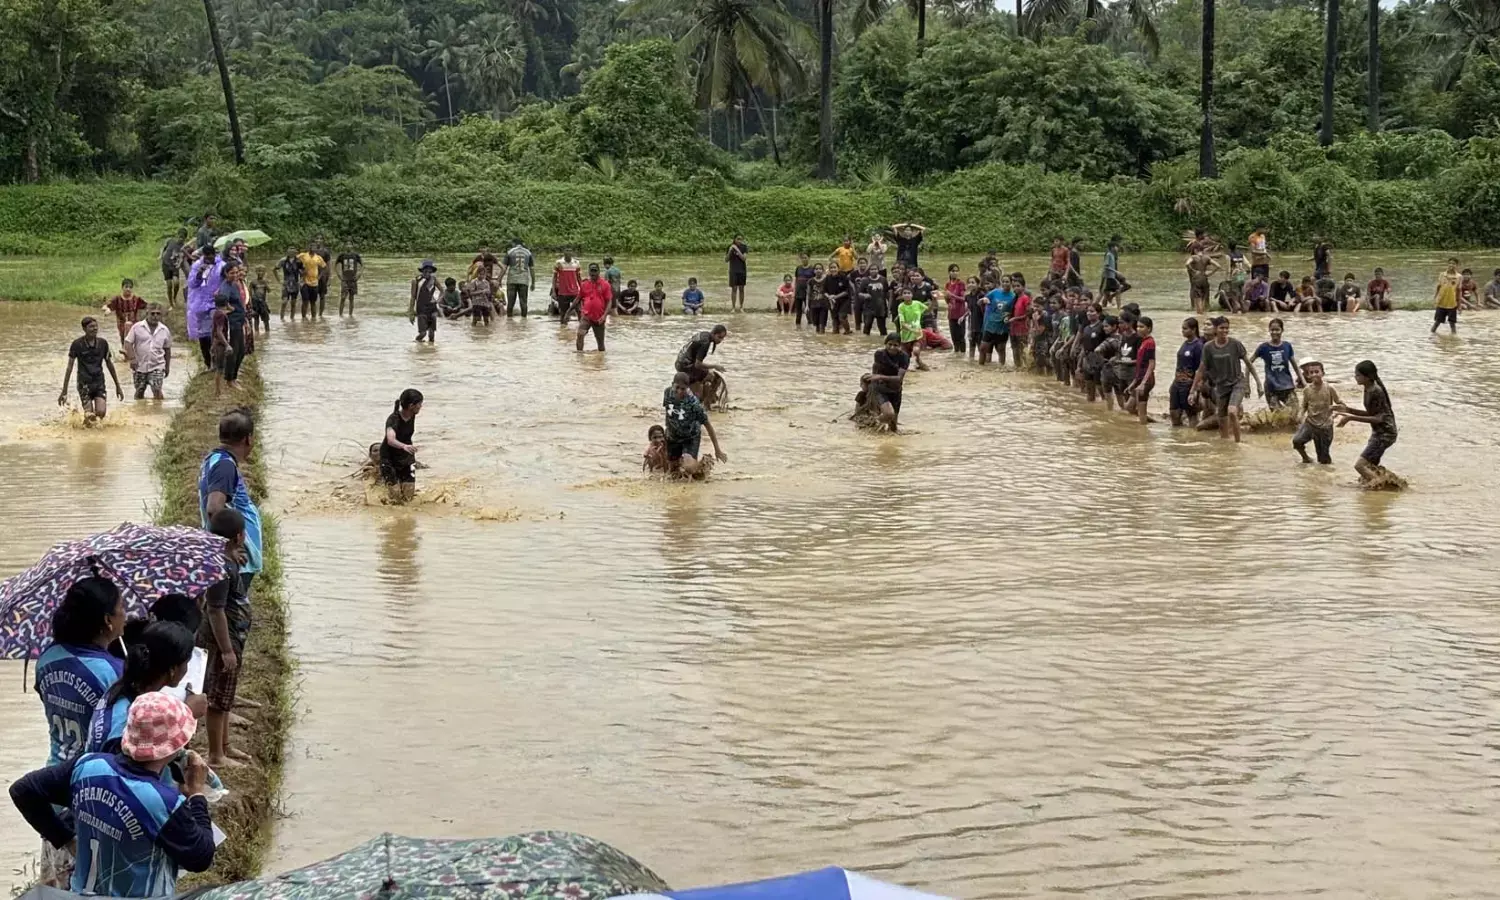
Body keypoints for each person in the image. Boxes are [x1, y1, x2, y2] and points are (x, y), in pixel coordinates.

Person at [13, 689, 217, 897]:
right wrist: (197, 795)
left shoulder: (87, 767)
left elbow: (23, 790)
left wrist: (65, 839)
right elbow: (202, 856)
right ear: (174, 747)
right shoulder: (163, 803)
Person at [36, 578, 128, 767]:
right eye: (122, 606)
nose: (125, 615)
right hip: (93, 777)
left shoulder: (47, 658)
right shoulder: (114, 672)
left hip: (54, 771)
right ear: (107, 620)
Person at [84, 621, 201, 757]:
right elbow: (142, 765)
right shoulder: (128, 718)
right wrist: (186, 713)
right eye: (186, 663)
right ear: (173, 670)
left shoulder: (122, 688)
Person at [199, 508, 250, 768]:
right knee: (218, 699)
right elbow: (215, 610)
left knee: (225, 696)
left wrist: (232, 557)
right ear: (239, 537)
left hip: (232, 637)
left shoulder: (226, 559)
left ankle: (225, 746)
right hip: (223, 641)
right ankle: (216, 755)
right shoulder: (219, 569)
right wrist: (227, 650)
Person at [200, 408, 264, 586]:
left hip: (232, 555)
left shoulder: (214, 459)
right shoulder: (225, 466)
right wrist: (229, 549)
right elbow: (214, 508)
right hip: (238, 559)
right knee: (233, 609)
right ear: (248, 439)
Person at [1191, 316, 1262, 443]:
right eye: (1221, 328)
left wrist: (1257, 383)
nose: (1224, 331)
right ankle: (1226, 446)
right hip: (1221, 387)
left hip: (1237, 383)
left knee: (1232, 411)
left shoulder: (1235, 344)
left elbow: (1248, 364)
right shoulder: (1208, 347)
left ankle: (1238, 443)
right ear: (1215, 330)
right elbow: (1201, 370)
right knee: (1222, 420)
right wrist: (1193, 390)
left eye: (1227, 328)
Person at [1334, 360, 1398, 481]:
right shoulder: (1368, 388)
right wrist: (1348, 410)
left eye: (1358, 375)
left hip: (1385, 433)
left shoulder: (1376, 391)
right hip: (1379, 432)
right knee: (1369, 469)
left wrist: (1351, 417)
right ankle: (1383, 486)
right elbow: (1372, 414)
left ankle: (1382, 489)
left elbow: (1379, 418)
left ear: (1367, 377)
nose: (1355, 377)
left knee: (1360, 466)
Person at [662, 372, 726, 478]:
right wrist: (667, 432)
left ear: (687, 388)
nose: (679, 391)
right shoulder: (667, 393)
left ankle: (705, 463)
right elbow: (668, 413)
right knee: (672, 471)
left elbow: (708, 425)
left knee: (690, 468)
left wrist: (717, 449)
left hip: (690, 437)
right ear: (672, 384)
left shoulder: (693, 404)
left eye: (682, 389)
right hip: (673, 436)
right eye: (677, 387)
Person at [59, 318, 123, 422]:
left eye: (96, 326)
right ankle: (86, 434)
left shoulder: (103, 343)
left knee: (101, 412)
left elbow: (109, 365)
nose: (95, 329)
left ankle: (95, 435)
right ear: (84, 329)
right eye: (91, 327)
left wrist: (118, 386)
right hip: (84, 383)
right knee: (89, 415)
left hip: (99, 383)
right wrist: (64, 390)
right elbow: (69, 367)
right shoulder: (77, 344)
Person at [1293, 361, 1339, 465]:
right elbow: (1304, 406)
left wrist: (1339, 409)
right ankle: (1306, 458)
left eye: (1317, 371)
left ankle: (1327, 474)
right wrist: (1300, 415)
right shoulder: (1307, 390)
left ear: (1323, 373)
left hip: (1325, 426)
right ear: (1308, 375)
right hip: (1310, 423)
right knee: (1297, 441)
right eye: (1311, 372)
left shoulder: (1330, 388)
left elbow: (1339, 402)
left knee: (1323, 459)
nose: (1314, 374)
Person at [381, 389, 423, 503]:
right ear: (411, 406)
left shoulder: (412, 415)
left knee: (408, 494)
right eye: (419, 404)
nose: (421, 406)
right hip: (389, 457)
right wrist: (404, 446)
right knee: (395, 496)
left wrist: (406, 448)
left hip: (406, 456)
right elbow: (390, 440)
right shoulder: (393, 419)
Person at [123, 304, 172, 401]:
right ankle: (139, 411)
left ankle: (158, 411)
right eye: (152, 313)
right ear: (147, 314)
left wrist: (167, 367)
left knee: (157, 390)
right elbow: (128, 343)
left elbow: (167, 349)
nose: (155, 316)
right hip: (139, 365)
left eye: (158, 314)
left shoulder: (164, 330)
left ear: (161, 315)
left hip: (157, 365)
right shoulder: (137, 327)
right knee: (139, 391)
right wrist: (132, 358)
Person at [863, 332, 910, 432]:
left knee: (893, 427)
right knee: (889, 414)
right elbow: (875, 371)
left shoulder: (904, 357)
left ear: (900, 346)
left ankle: (878, 431)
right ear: (885, 344)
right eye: (890, 344)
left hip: (896, 390)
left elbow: (899, 378)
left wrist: (880, 376)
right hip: (881, 389)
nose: (892, 347)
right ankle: (871, 424)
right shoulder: (879, 354)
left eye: (895, 345)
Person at [1251, 318, 1302, 409]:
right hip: (1271, 388)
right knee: (1277, 417)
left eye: (1277, 330)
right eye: (1272, 330)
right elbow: (1249, 363)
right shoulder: (1263, 347)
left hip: (1287, 386)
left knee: (1295, 413)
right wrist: (1255, 384)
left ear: (1282, 330)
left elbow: (1295, 366)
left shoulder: (1287, 346)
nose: (1274, 332)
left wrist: (1304, 383)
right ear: (1269, 331)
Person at [214, 260, 249, 390]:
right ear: (225, 273)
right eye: (231, 273)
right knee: (234, 352)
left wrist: (244, 319)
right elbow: (221, 304)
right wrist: (231, 309)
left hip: (239, 321)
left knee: (241, 352)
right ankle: (230, 380)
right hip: (232, 324)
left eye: (236, 272)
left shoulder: (234, 285)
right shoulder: (225, 288)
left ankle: (233, 377)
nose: (235, 275)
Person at [675, 324, 728, 402]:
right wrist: (715, 366)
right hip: (687, 367)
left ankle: (703, 395)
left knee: (705, 376)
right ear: (713, 334)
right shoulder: (705, 343)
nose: (720, 340)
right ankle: (707, 401)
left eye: (722, 338)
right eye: (719, 337)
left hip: (679, 364)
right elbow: (698, 364)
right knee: (712, 376)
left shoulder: (704, 334)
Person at [577, 263, 614, 353]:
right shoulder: (584, 284)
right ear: (589, 272)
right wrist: (569, 311)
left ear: (598, 272)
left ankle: (601, 362)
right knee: (580, 335)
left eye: (595, 270)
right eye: (591, 270)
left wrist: (604, 316)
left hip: (599, 318)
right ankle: (579, 357)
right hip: (586, 316)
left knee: (600, 344)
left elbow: (609, 301)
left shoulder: (605, 284)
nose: (593, 273)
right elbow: (578, 298)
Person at [978, 276, 1015, 366]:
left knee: (1001, 349)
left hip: (1003, 326)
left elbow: (1014, 311)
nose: (1005, 283)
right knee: (983, 348)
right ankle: (980, 367)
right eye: (1003, 281)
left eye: (1007, 282)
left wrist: (1009, 317)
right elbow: (979, 302)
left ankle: (1001, 368)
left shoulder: (1013, 296)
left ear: (1011, 283)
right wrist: (983, 300)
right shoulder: (995, 292)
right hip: (990, 324)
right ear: (1001, 282)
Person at [1127, 316, 1156, 425]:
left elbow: (1151, 364)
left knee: (1141, 411)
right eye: (1137, 327)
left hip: (1146, 380)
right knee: (1129, 407)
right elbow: (1140, 364)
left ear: (1149, 328)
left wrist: (1143, 383)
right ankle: (1151, 421)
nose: (1138, 329)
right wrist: (1134, 382)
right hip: (1140, 379)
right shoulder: (1143, 342)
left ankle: (1143, 435)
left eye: (1142, 327)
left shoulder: (1150, 343)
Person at [106, 279, 147, 348]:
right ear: (122, 288)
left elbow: (146, 306)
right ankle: (125, 353)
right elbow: (109, 306)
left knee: (135, 339)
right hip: (122, 323)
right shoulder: (117, 298)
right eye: (126, 287)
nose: (128, 289)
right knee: (124, 338)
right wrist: (108, 310)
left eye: (130, 287)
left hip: (134, 323)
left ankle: (133, 355)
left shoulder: (136, 299)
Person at [896, 289, 928, 371]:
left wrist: (934, 300)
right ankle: (916, 363)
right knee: (905, 359)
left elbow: (928, 311)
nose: (907, 295)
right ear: (902, 296)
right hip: (905, 336)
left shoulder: (917, 303)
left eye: (909, 293)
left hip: (917, 335)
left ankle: (917, 360)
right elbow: (902, 324)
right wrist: (913, 330)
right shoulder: (901, 306)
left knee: (916, 351)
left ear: (912, 295)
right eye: (905, 293)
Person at [505, 238, 535, 317]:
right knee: (523, 302)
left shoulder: (510, 252)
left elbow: (504, 268)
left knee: (510, 303)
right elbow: (532, 269)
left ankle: (509, 320)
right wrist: (533, 283)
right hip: (524, 280)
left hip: (512, 280)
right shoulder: (528, 253)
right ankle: (524, 320)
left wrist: (499, 279)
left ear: (514, 243)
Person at [1007, 274, 1032, 367]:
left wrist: (1015, 318)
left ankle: (1026, 368)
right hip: (1013, 328)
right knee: (1014, 349)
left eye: (1018, 286)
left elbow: (1028, 314)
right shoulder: (1015, 298)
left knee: (1023, 349)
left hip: (1022, 328)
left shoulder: (1025, 298)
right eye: (1014, 286)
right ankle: (1017, 367)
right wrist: (1008, 316)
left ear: (1023, 287)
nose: (1016, 288)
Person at [296, 243, 324, 321]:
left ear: (317, 248)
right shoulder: (303, 255)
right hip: (304, 282)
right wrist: (300, 271)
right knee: (305, 301)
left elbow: (324, 267)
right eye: (311, 246)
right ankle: (303, 318)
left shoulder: (318, 258)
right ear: (308, 247)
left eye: (315, 246)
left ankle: (313, 320)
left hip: (315, 283)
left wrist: (319, 277)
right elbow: (294, 261)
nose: (313, 248)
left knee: (313, 302)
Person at [160, 230, 187, 309]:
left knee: (176, 283)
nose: (181, 239)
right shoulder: (170, 240)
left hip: (174, 265)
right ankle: (171, 302)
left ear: (185, 238)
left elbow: (182, 256)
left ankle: (174, 297)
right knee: (169, 285)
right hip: (166, 264)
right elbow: (163, 248)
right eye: (180, 237)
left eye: (183, 238)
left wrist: (179, 264)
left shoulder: (183, 246)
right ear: (177, 235)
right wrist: (160, 255)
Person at [553, 250, 582, 324]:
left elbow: (579, 278)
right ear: (564, 253)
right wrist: (554, 291)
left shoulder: (576, 263)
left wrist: (582, 289)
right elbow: (554, 278)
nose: (568, 254)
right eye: (566, 252)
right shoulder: (558, 263)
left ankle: (582, 327)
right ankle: (563, 330)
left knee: (579, 311)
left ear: (572, 253)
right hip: (563, 292)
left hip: (575, 291)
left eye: (570, 252)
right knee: (563, 313)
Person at [1101, 234, 1131, 306]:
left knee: (1126, 286)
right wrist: (1115, 272)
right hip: (1109, 274)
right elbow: (1106, 265)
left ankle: (1111, 298)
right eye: (1119, 242)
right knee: (1105, 292)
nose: (1120, 244)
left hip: (1115, 273)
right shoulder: (1109, 253)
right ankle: (1106, 306)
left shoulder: (1114, 252)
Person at [1432, 259, 1460, 334]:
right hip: (1441, 302)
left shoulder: (1459, 277)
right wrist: (1435, 298)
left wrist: (1459, 305)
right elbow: (1438, 287)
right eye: (1450, 263)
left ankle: (1454, 337)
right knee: (1437, 322)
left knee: (1452, 323)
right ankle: (1431, 336)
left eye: (1453, 263)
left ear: (1456, 265)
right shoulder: (1442, 275)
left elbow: (1458, 291)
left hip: (1452, 303)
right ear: (1447, 264)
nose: (1451, 265)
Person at [209, 297, 230, 396]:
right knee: (220, 368)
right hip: (220, 345)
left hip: (217, 344)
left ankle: (218, 390)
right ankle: (217, 391)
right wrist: (227, 345)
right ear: (226, 304)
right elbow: (219, 332)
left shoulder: (217, 313)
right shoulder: (221, 315)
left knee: (220, 368)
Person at [944, 265, 967, 354]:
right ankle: (956, 355)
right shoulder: (947, 284)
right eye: (953, 271)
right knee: (954, 337)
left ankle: (963, 355)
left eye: (957, 271)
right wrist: (947, 298)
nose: (955, 273)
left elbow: (964, 299)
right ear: (949, 272)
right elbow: (948, 301)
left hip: (960, 313)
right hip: (951, 314)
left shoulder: (961, 284)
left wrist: (952, 295)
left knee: (961, 337)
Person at [335, 246, 363, 316]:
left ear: (352, 245)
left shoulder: (356, 255)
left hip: (353, 280)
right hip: (344, 279)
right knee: (343, 297)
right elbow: (335, 264)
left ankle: (350, 315)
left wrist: (359, 274)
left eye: (350, 244)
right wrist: (338, 274)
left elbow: (362, 265)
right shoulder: (342, 255)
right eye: (346, 244)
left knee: (351, 298)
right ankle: (340, 315)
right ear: (345, 245)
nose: (348, 246)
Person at [274, 248, 301, 321]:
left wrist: (301, 281)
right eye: (290, 252)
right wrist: (279, 281)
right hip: (286, 284)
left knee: (293, 303)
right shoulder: (283, 260)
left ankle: (292, 319)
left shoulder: (299, 261)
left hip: (295, 284)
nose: (291, 253)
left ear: (296, 253)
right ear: (287, 252)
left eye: (293, 252)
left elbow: (304, 271)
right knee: (284, 302)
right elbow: (274, 269)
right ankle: (282, 319)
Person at [825, 265, 852, 334]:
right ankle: (836, 335)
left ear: (838, 269)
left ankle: (848, 331)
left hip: (844, 300)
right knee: (834, 319)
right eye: (831, 268)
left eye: (834, 268)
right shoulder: (827, 278)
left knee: (841, 317)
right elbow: (824, 291)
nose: (833, 269)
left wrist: (835, 296)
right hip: (833, 302)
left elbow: (846, 291)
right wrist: (829, 297)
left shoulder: (843, 277)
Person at [861, 271, 890, 336]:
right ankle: (865, 341)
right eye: (871, 269)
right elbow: (859, 293)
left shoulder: (883, 279)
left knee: (882, 328)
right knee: (867, 326)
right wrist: (864, 295)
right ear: (869, 270)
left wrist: (889, 307)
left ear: (878, 270)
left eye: (875, 269)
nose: (873, 270)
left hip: (881, 307)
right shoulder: (865, 280)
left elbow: (887, 293)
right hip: (869, 307)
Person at [727, 235, 749, 310]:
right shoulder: (730, 247)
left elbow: (743, 258)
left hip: (742, 270)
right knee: (734, 289)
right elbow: (726, 260)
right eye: (738, 239)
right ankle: (733, 307)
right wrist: (730, 251)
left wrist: (736, 249)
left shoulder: (744, 247)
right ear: (734, 239)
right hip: (733, 270)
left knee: (741, 289)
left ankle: (741, 307)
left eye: (741, 239)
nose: (739, 241)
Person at [246, 267, 271, 335]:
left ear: (264, 273)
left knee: (266, 320)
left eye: (262, 271)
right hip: (255, 302)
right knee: (256, 319)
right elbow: (249, 293)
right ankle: (257, 333)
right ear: (256, 272)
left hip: (263, 303)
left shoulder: (265, 281)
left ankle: (267, 334)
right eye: (259, 271)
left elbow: (269, 291)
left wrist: (266, 285)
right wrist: (250, 304)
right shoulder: (253, 282)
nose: (260, 273)